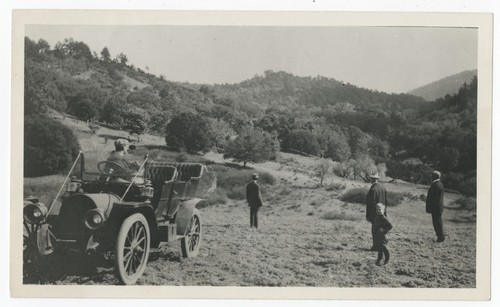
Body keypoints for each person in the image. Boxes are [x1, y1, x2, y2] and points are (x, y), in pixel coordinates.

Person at [365, 171, 388, 251]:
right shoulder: (383, 187)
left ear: (372, 179)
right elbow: (386, 201)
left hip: (375, 214)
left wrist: (368, 215)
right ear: (377, 179)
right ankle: (382, 244)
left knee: (375, 230)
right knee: (380, 229)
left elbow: (371, 204)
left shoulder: (373, 189)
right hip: (382, 212)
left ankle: (376, 246)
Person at [426, 170, 445, 242]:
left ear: (434, 176)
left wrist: (429, 207)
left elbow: (432, 198)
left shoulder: (435, 185)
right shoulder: (440, 184)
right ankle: (440, 236)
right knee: (438, 221)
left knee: (437, 222)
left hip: (435, 207)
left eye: (432, 176)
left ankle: (440, 237)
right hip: (438, 207)